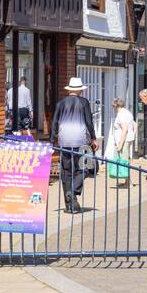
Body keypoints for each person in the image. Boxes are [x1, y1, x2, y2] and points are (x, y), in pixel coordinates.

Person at [52, 76, 99, 213]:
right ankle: (73, 191)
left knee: (66, 171)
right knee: (83, 168)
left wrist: (51, 141)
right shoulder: (84, 103)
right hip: (80, 140)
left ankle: (70, 204)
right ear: (80, 90)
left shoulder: (60, 103)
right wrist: (94, 138)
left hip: (64, 141)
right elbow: (89, 122)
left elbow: (54, 122)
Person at [105, 97, 135, 187]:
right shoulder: (127, 112)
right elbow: (135, 125)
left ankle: (128, 183)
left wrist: (120, 143)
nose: (113, 107)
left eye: (113, 105)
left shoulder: (121, 114)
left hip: (124, 141)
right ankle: (127, 182)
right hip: (127, 139)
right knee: (124, 161)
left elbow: (124, 129)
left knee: (124, 161)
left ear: (115, 105)